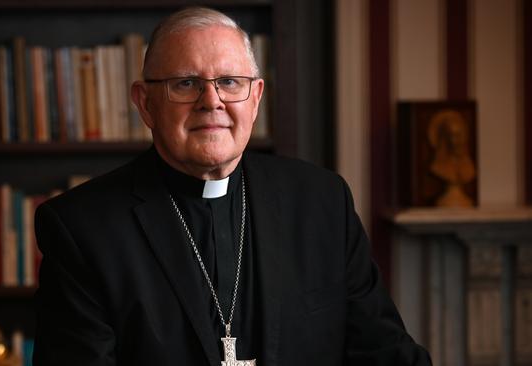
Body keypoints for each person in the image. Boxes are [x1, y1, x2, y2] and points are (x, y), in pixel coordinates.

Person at [33, 7, 431, 366]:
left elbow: (385, 352)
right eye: (185, 84)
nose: (212, 101)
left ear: (255, 98)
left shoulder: (323, 203)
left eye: (229, 81)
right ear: (145, 103)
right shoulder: (82, 228)